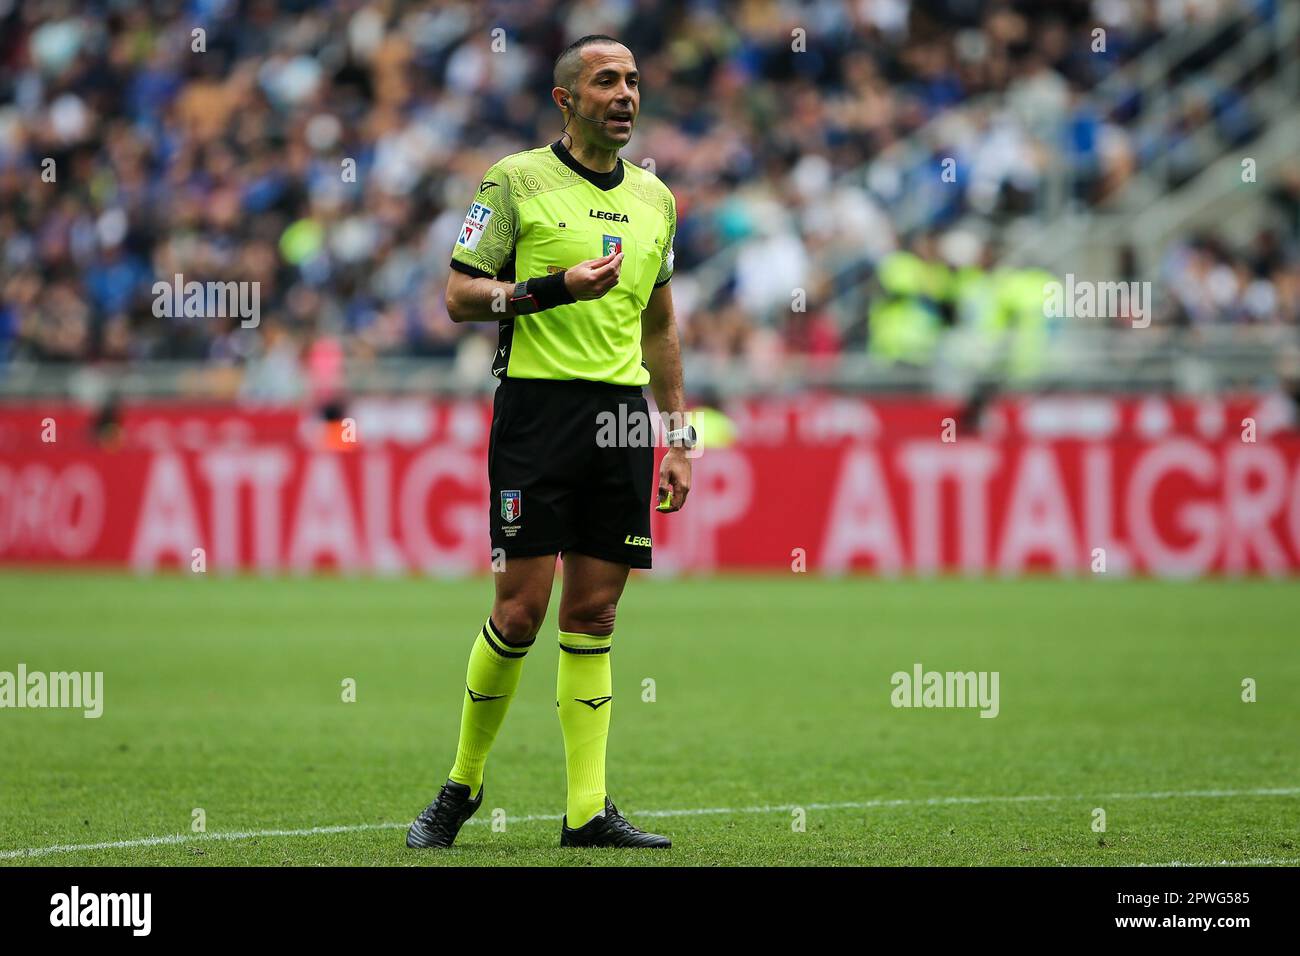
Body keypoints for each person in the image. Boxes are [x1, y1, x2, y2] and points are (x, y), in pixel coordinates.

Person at [406, 35, 694, 850]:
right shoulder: (516, 178)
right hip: (537, 415)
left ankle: (587, 812)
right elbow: (460, 297)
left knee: (596, 612)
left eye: (635, 80)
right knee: (521, 609)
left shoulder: (656, 198)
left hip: (621, 420)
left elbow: (662, 326)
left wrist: (680, 437)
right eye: (607, 81)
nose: (627, 94)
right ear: (567, 99)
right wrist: (550, 289)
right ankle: (461, 785)